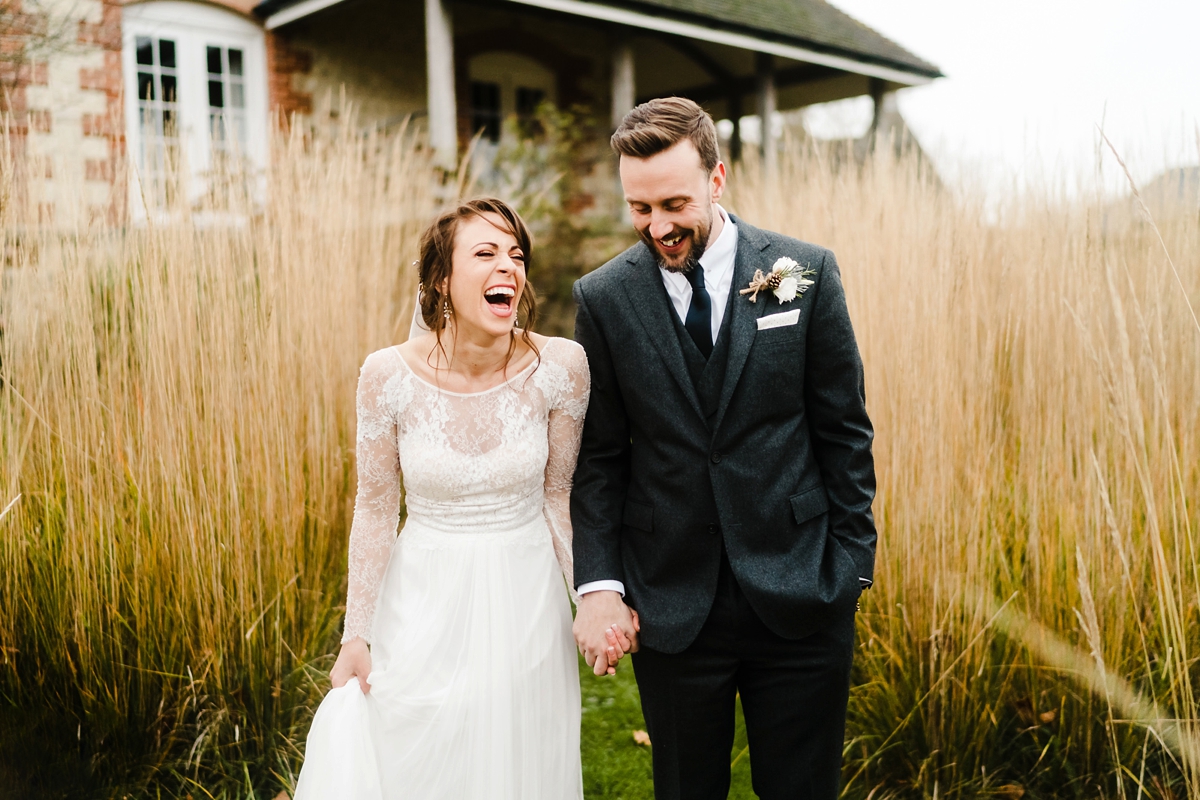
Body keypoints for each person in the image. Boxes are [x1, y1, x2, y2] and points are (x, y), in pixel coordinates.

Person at [571, 98, 877, 800]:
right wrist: (601, 587)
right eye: (639, 208)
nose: (659, 226)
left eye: (673, 203)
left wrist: (851, 565)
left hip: (804, 592)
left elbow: (844, 431)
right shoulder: (605, 299)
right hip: (673, 601)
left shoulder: (803, 271)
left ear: (718, 178)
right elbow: (600, 461)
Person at [293, 197, 624, 800]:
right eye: (486, 253)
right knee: (417, 756)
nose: (509, 267)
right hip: (421, 596)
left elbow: (559, 497)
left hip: (526, 600)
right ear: (443, 280)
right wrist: (356, 635)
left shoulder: (561, 366)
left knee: (518, 764)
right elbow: (373, 509)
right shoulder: (385, 376)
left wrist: (592, 600)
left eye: (517, 255)